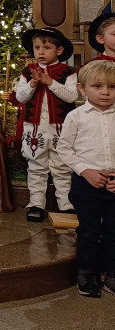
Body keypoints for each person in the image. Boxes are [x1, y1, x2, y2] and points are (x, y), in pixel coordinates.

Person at [55, 58, 115, 298]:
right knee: (89, 230)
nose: (106, 92)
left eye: (112, 87)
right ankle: (87, 272)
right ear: (82, 88)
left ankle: (112, 272)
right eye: (98, 86)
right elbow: (64, 148)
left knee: (113, 230)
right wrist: (85, 171)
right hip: (86, 183)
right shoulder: (76, 116)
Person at [15, 27, 77, 221]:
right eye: (37, 47)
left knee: (62, 166)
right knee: (36, 166)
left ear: (58, 51)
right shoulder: (27, 73)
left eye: (46, 47)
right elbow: (21, 97)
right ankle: (36, 203)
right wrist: (33, 84)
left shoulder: (69, 72)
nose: (40, 52)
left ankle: (65, 204)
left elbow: (72, 96)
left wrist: (50, 82)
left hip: (61, 127)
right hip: (35, 128)